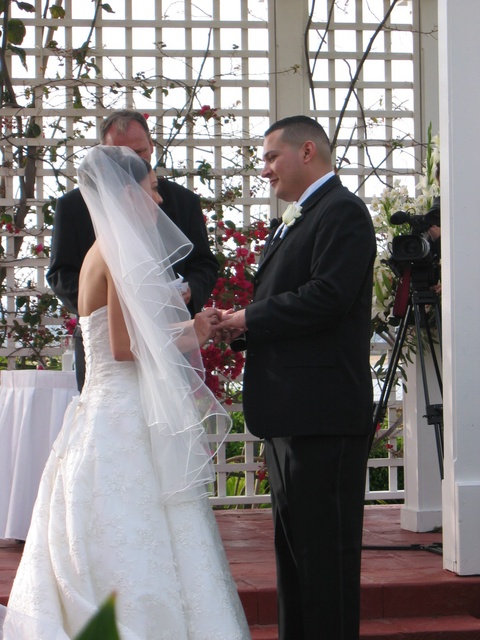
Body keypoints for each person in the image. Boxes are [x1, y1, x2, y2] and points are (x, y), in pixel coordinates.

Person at [4, 146, 250, 640]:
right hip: (120, 408)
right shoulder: (113, 252)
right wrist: (196, 332)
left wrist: (191, 324)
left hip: (109, 408)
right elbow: (124, 347)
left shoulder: (107, 248)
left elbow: (135, 334)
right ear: (124, 192)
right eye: (151, 187)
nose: (159, 199)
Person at [217, 115, 376, 640]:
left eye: (270, 157)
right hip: (290, 412)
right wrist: (237, 329)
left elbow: (327, 298)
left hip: (322, 414)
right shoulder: (298, 218)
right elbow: (284, 303)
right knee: (295, 558)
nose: (264, 170)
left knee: (325, 560)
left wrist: (247, 319)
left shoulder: (344, 213)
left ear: (307, 152)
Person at [47, 109, 219, 390]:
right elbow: (62, 275)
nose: (130, 163)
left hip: (164, 340)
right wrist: (119, 308)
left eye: (139, 152)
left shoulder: (182, 201)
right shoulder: (76, 209)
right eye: (121, 154)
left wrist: (188, 295)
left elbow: (203, 263)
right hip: (117, 357)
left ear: (151, 147)